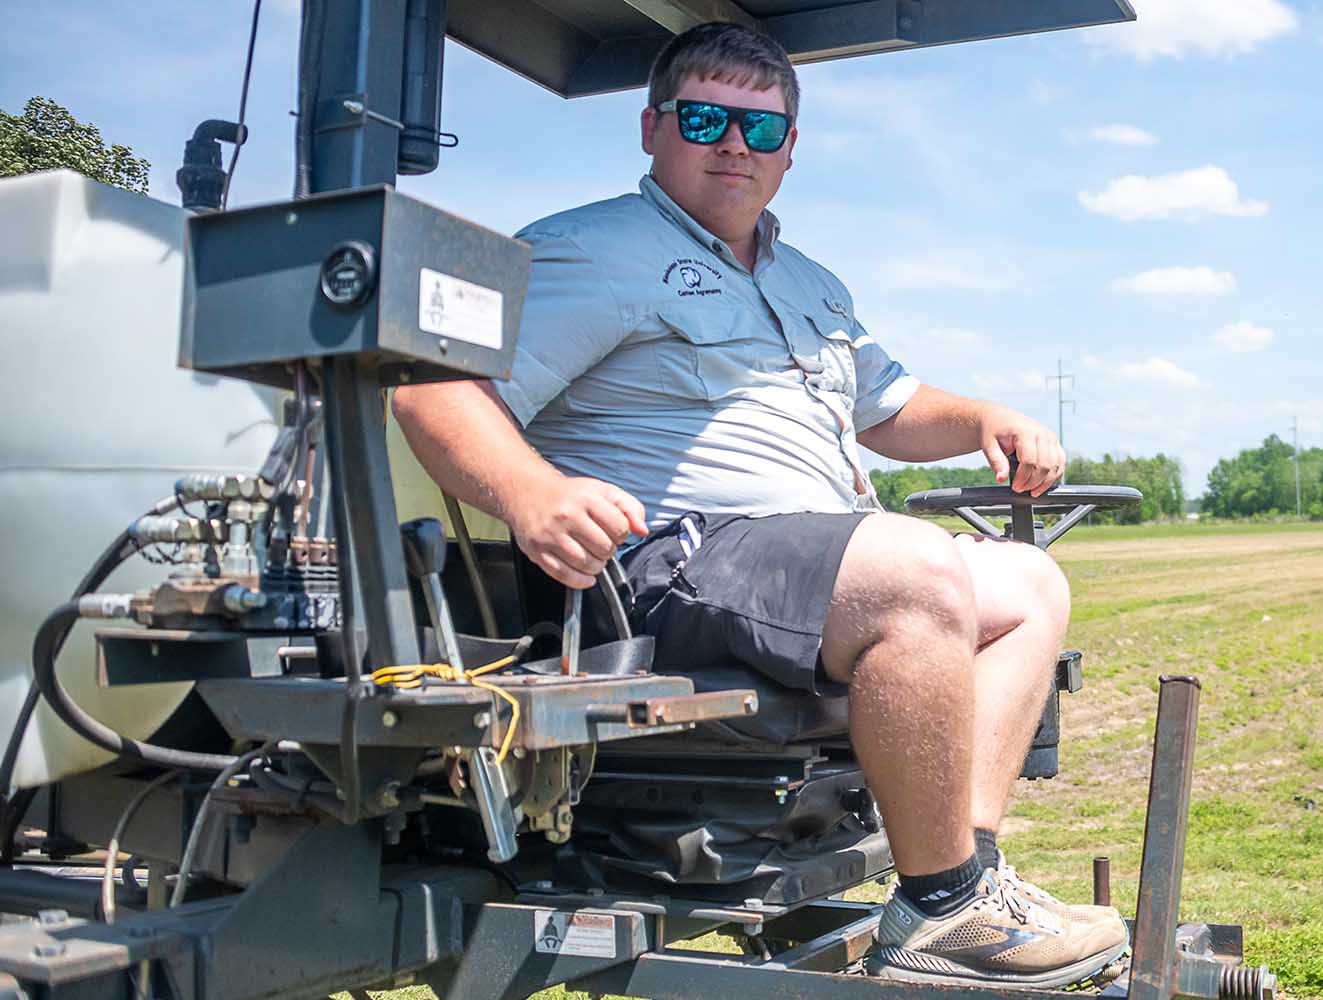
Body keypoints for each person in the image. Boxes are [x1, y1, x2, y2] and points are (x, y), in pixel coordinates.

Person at [392, 21, 1128, 989]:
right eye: (703, 119)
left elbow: (891, 408)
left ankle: (956, 882)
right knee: (912, 567)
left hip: (791, 563)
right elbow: (432, 385)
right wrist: (532, 491)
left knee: (1028, 579)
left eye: (759, 127)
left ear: (789, 149)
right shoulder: (588, 251)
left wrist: (985, 415)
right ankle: (949, 904)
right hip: (657, 567)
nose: (732, 144)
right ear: (653, 129)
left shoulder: (806, 281)